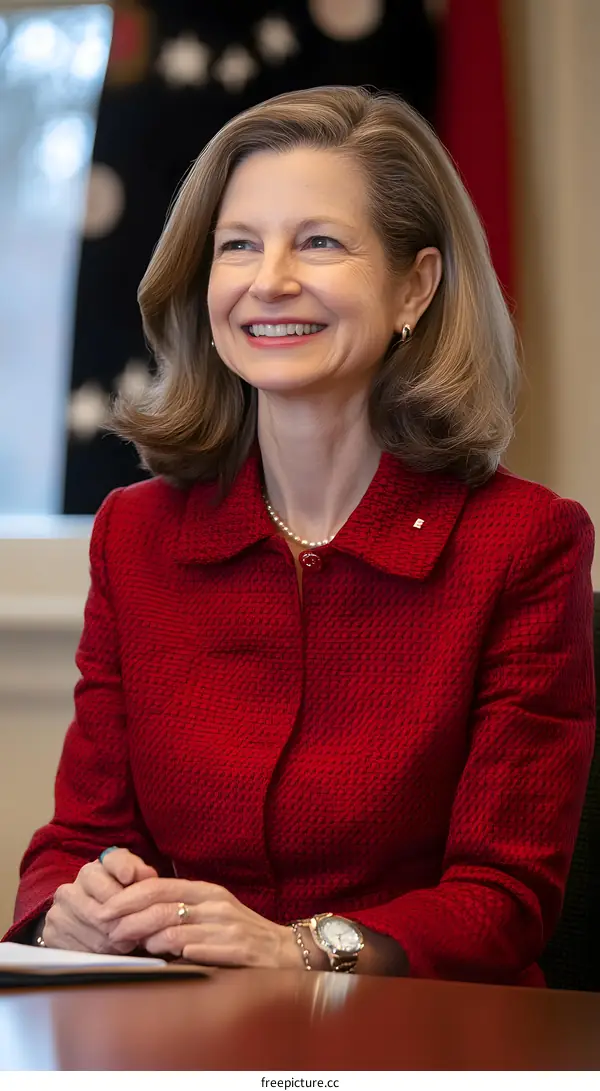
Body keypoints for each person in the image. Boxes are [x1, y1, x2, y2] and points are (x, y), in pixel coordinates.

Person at [5, 85, 595, 984]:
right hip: (178, 1040)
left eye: (318, 242)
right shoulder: (136, 534)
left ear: (415, 285)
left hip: (425, 1046)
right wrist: (71, 908)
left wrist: (298, 948)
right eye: (238, 245)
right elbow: (76, 840)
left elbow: (502, 896)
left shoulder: (524, 544)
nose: (267, 279)